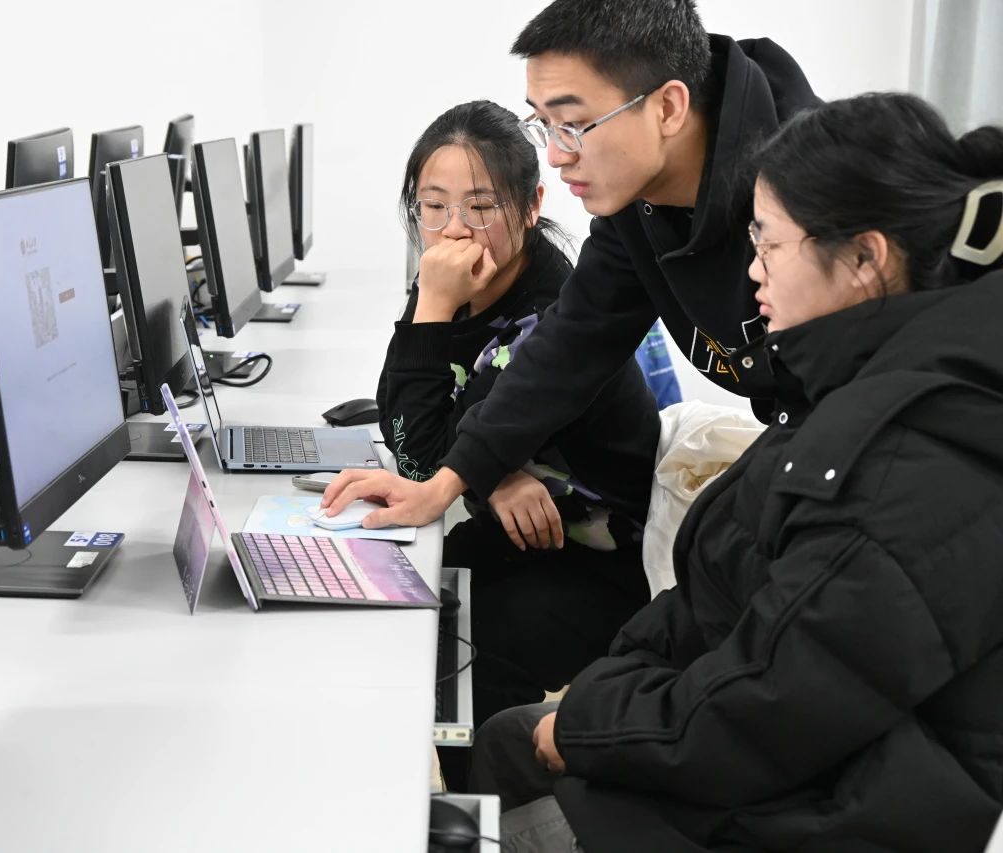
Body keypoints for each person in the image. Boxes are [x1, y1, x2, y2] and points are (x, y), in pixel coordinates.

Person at [470, 92, 1003, 852]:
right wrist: (607, 691)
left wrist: (590, 722)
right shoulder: (848, 388)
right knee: (507, 739)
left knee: (495, 800)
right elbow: (724, 601)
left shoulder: (913, 453)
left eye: (769, 244)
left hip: (814, 811)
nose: (752, 272)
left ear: (864, 260)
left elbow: (772, 707)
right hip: (765, 756)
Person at [322, 0, 820, 539]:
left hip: (852, 466)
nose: (557, 155)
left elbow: (851, 390)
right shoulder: (637, 204)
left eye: (575, 125)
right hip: (802, 456)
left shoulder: (815, 194)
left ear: (668, 108)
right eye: (546, 125)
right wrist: (447, 483)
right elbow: (572, 343)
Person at [376, 101, 660, 739]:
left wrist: (432, 307)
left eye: (480, 207)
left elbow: (420, 460)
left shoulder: (547, 315)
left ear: (531, 206)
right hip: (523, 538)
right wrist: (493, 474)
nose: (454, 230)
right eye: (432, 206)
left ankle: (491, 785)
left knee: (471, 639)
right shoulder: (457, 275)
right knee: (407, 583)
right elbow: (403, 415)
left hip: (600, 563)